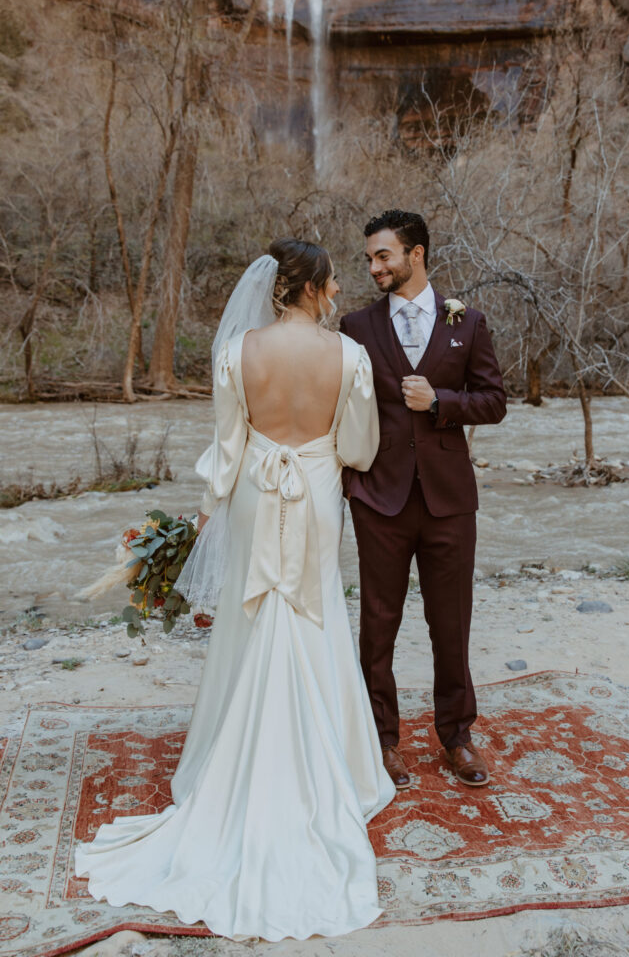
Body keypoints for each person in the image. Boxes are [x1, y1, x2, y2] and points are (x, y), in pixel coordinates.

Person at [76, 238, 395, 941]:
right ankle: (334, 767)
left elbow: (226, 452)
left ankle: (231, 756)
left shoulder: (235, 354)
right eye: (334, 281)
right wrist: (316, 453)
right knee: (310, 613)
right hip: (312, 494)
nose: (341, 290)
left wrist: (205, 513)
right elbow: (359, 450)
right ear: (310, 288)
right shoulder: (348, 356)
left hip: (255, 493)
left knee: (253, 614)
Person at [340, 210, 506, 792]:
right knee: (378, 624)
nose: (374, 267)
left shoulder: (469, 321)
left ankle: (457, 737)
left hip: (449, 501)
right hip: (378, 498)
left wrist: (441, 400)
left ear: (416, 255)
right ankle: (381, 740)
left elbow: (494, 401)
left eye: (382, 256)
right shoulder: (355, 326)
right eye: (369, 258)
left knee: (450, 622)